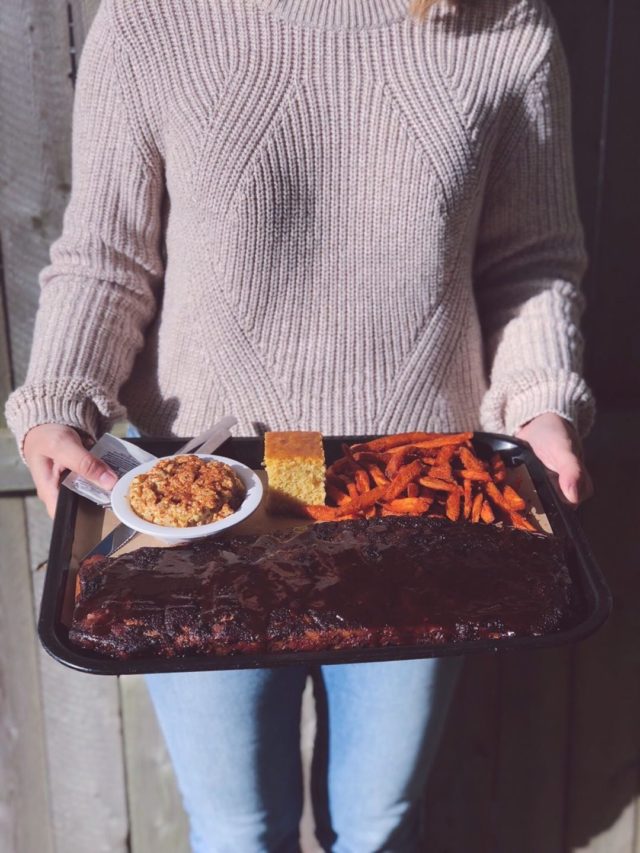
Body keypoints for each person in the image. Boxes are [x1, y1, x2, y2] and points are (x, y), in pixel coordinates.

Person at [6, 0, 594, 849]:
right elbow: (108, 255)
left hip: (417, 506)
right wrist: (57, 400)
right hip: (202, 518)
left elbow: (528, 261)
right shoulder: (151, 21)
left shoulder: (503, 25)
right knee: (239, 829)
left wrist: (541, 406)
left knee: (381, 822)